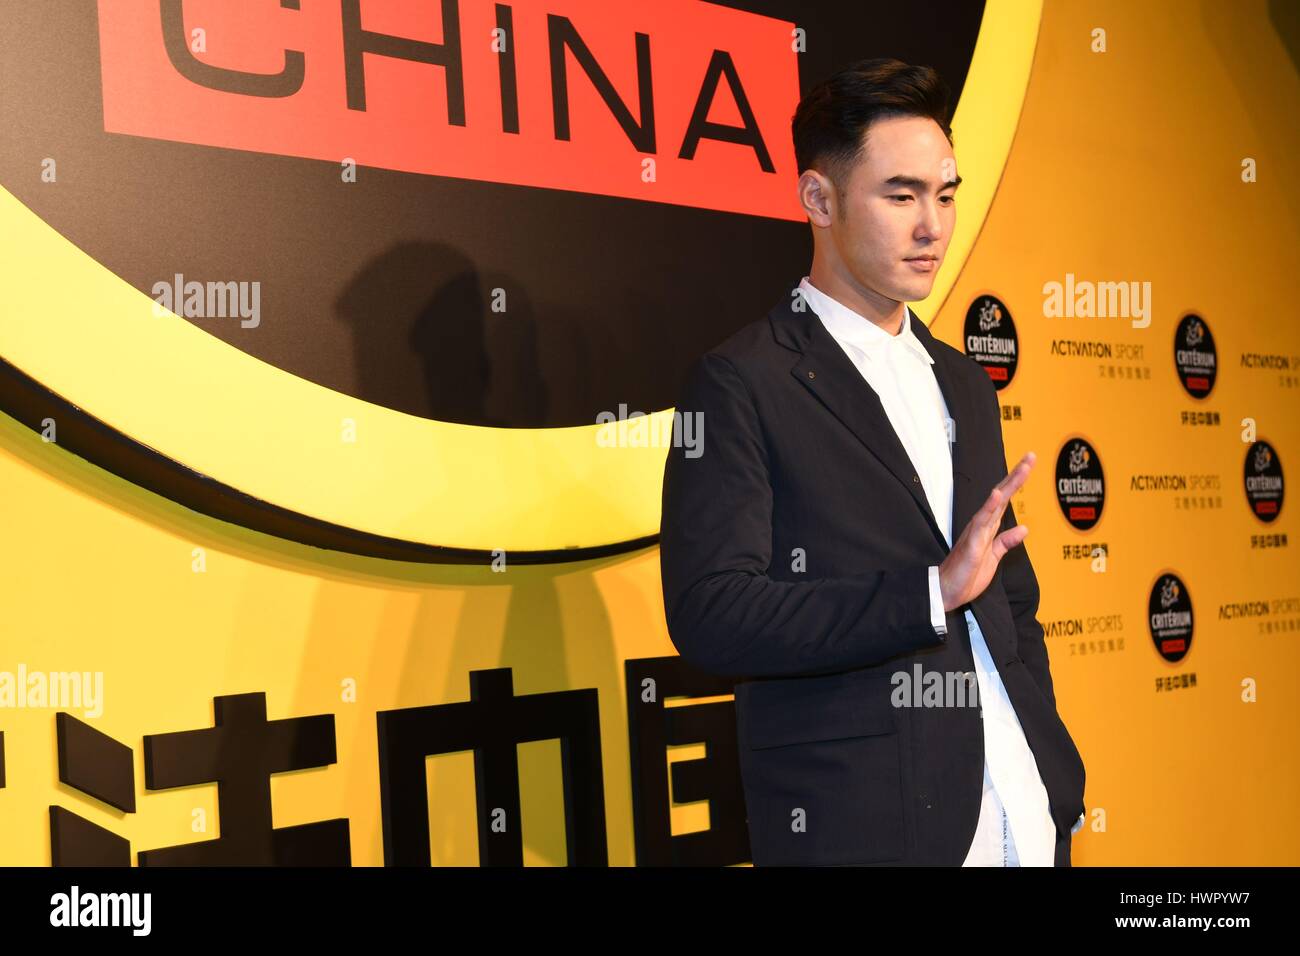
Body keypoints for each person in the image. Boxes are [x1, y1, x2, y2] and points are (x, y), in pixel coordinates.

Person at [658, 58, 1086, 866]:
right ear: (819, 200)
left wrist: (1053, 770)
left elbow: (1012, 602)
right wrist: (928, 594)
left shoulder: (964, 380)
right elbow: (713, 615)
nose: (933, 227)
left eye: (946, 195)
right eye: (901, 196)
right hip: (869, 824)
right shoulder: (741, 381)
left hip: (1023, 809)